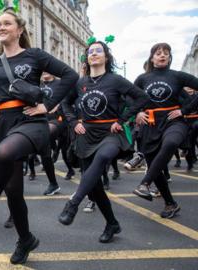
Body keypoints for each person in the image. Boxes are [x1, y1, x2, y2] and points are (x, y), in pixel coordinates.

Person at [0, 9, 79, 264]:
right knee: (14, 189)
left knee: (4, 152)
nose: (1, 27)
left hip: (30, 120)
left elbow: (70, 75)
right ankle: (26, 239)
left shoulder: (34, 55)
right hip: (3, 123)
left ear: (19, 30)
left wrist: (48, 103)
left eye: (7, 23)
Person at [58, 40, 149, 242]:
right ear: (87, 57)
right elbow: (65, 103)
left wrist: (123, 120)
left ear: (106, 57)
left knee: (104, 156)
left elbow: (142, 97)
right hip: (86, 135)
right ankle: (112, 223)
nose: (94, 54)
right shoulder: (80, 83)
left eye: (99, 51)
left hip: (110, 132)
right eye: (91, 51)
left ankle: (73, 202)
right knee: (95, 187)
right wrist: (73, 122)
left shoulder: (116, 80)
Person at [132, 43, 198, 218]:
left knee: (171, 143)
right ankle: (171, 204)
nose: (162, 56)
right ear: (152, 57)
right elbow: (129, 97)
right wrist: (137, 112)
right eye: (158, 53)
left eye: (166, 53)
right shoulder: (142, 79)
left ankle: (145, 183)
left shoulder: (177, 76)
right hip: (150, 125)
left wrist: (185, 110)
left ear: (169, 58)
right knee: (155, 165)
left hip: (174, 121)